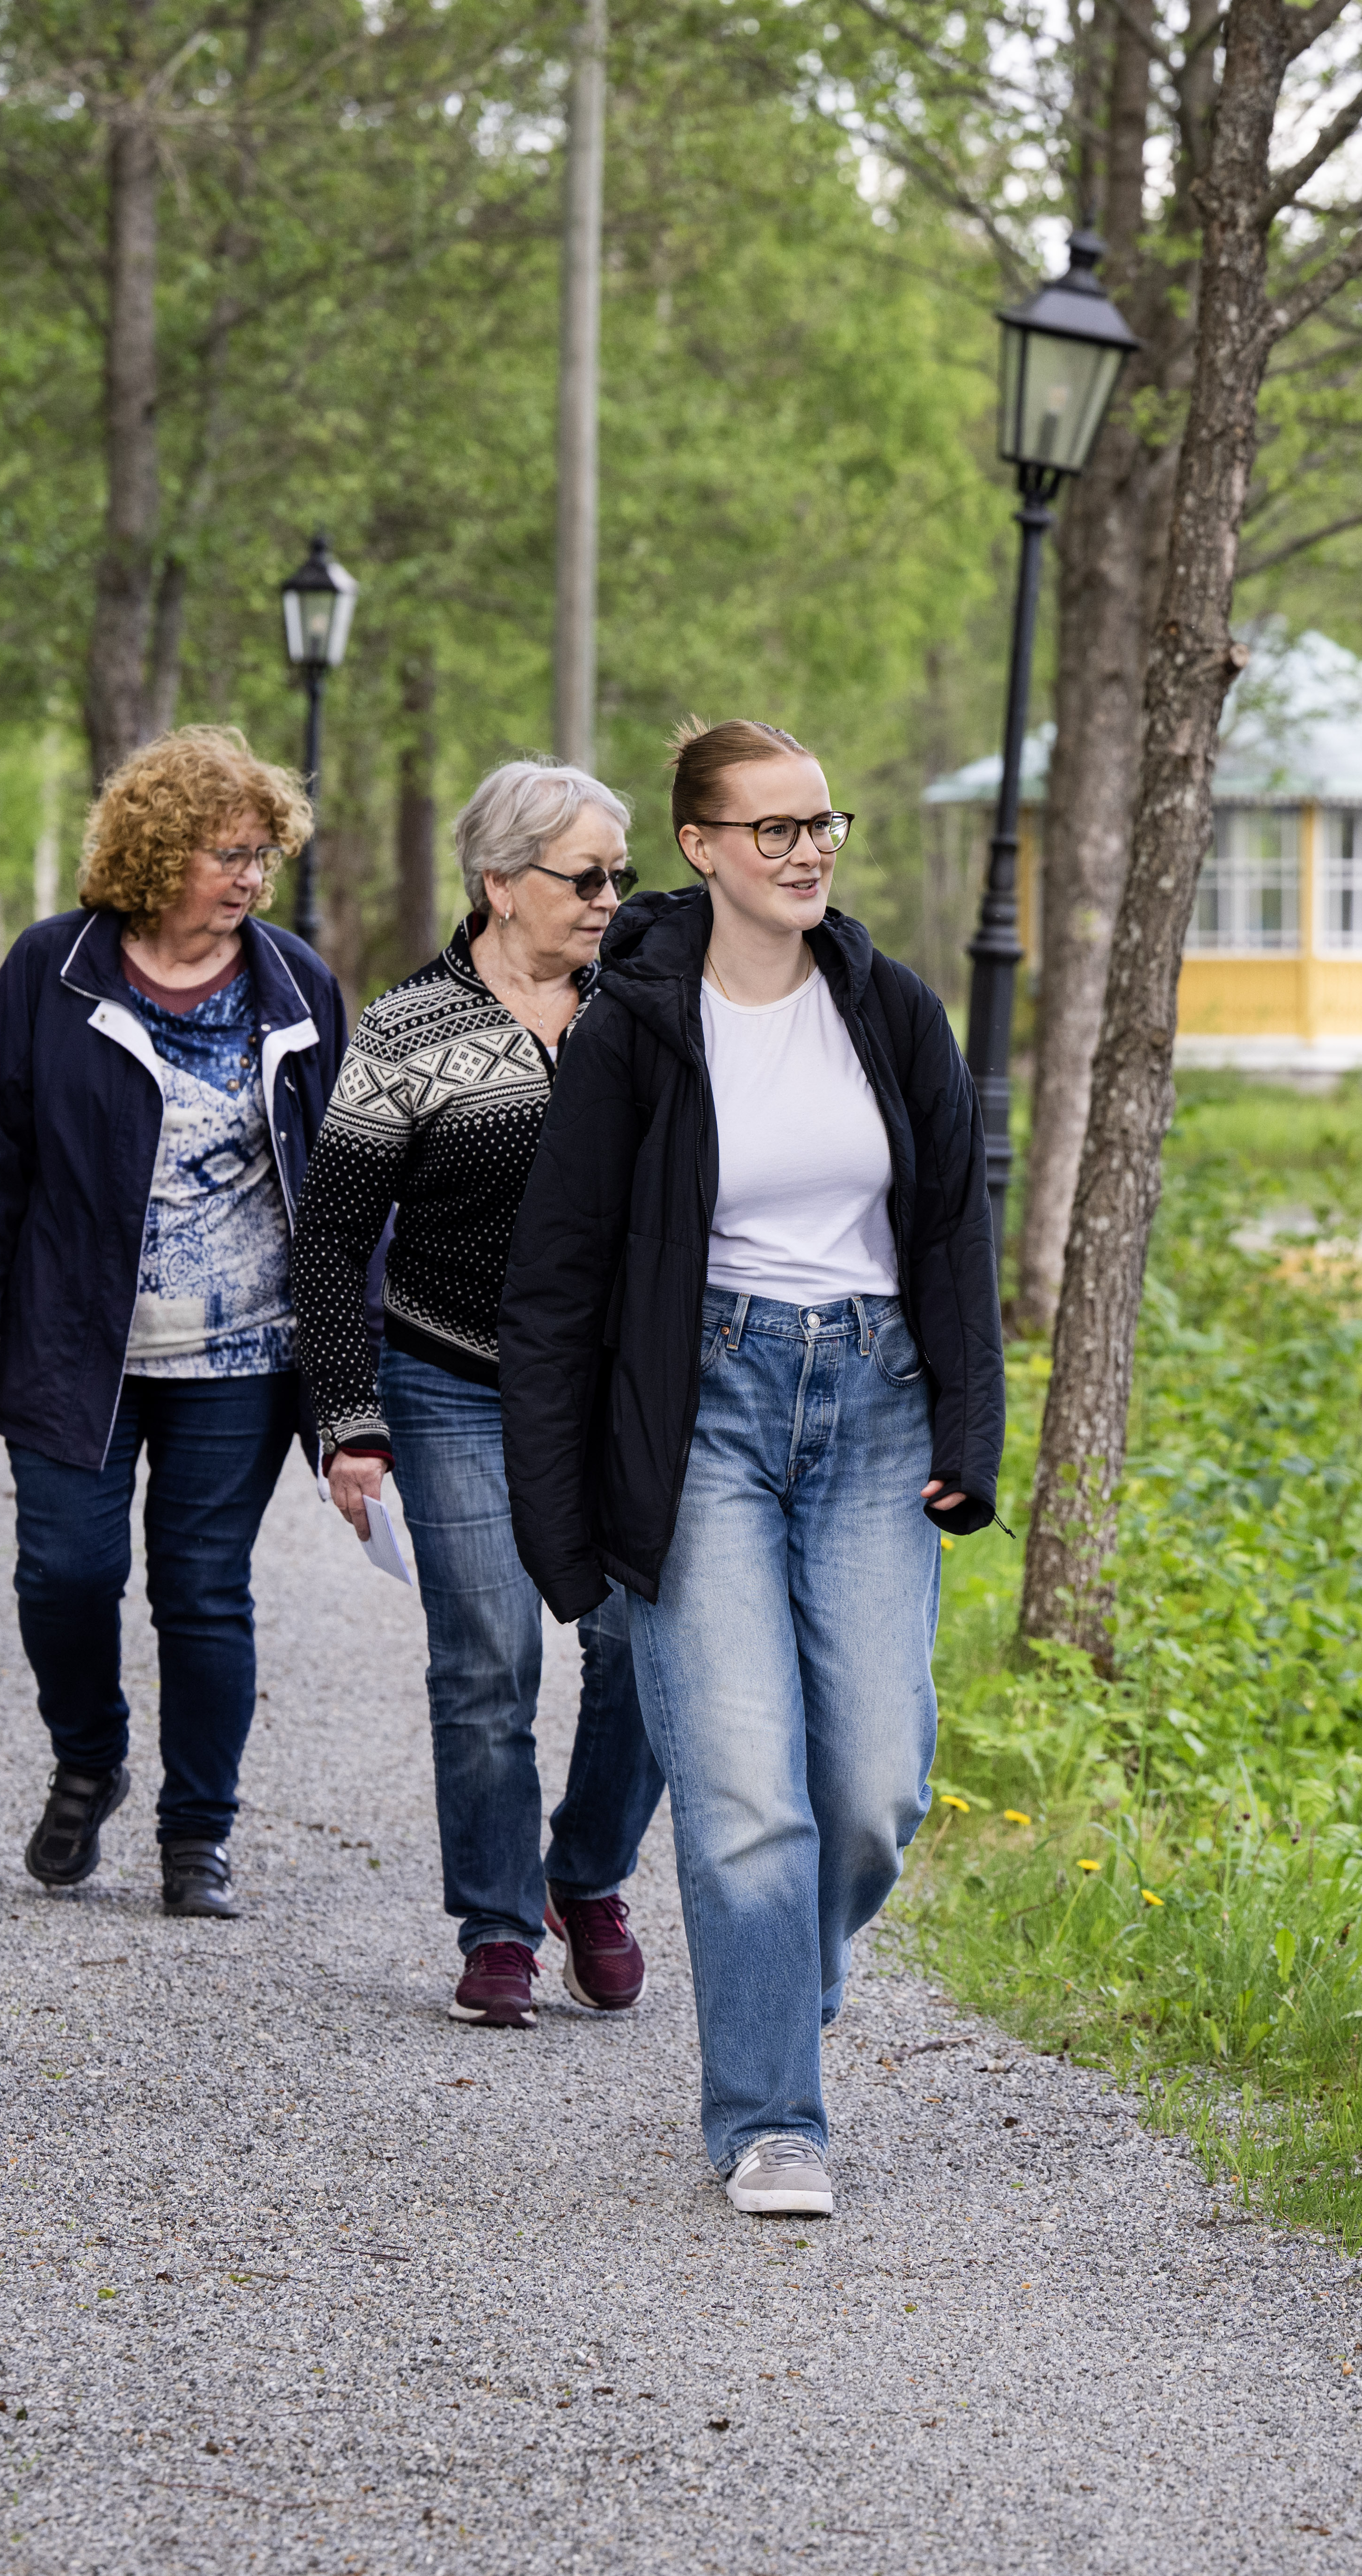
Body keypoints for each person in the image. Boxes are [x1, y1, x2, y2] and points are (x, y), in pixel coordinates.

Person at [500, 718, 1001, 2219]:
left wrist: (970, 1439)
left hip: (873, 1407)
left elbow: (953, 1238)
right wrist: (561, 1521)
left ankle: (792, 1969)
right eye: (772, 829)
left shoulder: (894, 1012)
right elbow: (557, 1286)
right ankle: (773, 2117)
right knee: (741, 1794)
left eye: (823, 824)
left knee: (870, 1789)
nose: (807, 851)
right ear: (703, 849)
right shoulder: (636, 1031)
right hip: (699, 1412)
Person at [0, 726, 346, 1922]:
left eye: (263, 855)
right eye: (229, 853)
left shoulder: (296, 984)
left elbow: (347, 1179)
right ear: (158, 853)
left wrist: (352, 1361)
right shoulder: (54, 971)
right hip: (73, 1340)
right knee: (65, 1571)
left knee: (205, 1590)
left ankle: (197, 1834)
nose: (251, 877)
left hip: (245, 1352)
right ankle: (90, 1756)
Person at [287, 761, 666, 2030]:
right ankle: (498, 1924)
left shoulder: (652, 1013)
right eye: (586, 875)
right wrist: (350, 1421)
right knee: (490, 1659)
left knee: (642, 1647)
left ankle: (588, 1875)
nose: (613, 897)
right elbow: (332, 1238)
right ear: (500, 884)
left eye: (622, 874)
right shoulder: (403, 1032)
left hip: (617, 1393)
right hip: (451, 1376)